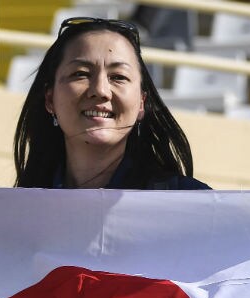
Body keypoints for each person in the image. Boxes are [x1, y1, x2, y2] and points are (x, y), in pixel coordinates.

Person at [13, 17, 210, 190]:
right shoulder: (16, 211)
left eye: (118, 77)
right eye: (80, 74)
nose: (100, 90)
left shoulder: (193, 205)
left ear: (142, 103)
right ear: (50, 99)